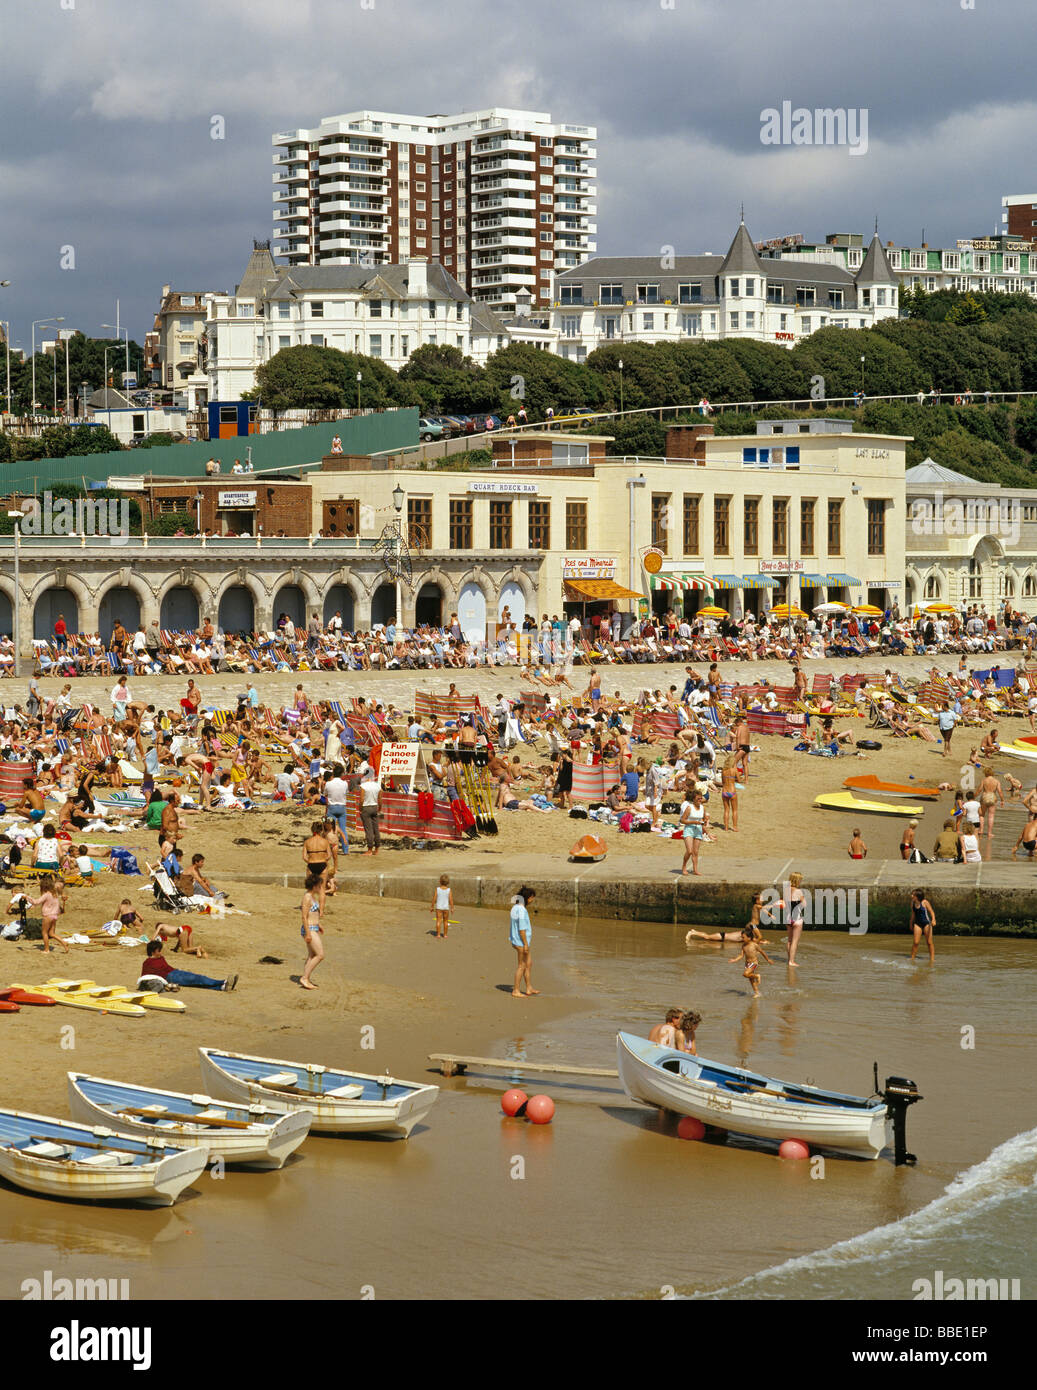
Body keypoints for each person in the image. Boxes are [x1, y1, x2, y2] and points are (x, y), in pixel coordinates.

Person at [139, 939, 236, 991]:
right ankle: (223, 981)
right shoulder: (147, 963)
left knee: (197, 980)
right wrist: (165, 985)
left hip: (175, 972)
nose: (160, 952)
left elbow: (167, 967)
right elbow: (144, 978)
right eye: (158, 950)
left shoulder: (161, 958)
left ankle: (221, 987)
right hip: (170, 977)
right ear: (152, 951)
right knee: (196, 980)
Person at [509, 886, 538, 998]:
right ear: (528, 898)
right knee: (521, 966)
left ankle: (529, 987)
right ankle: (515, 990)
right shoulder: (521, 910)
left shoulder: (515, 907)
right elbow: (522, 929)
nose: (533, 900)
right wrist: (525, 944)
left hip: (518, 940)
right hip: (521, 942)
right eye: (532, 898)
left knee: (529, 963)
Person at [730, 926, 773, 999]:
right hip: (747, 964)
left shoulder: (754, 945)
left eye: (743, 937)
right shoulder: (743, 945)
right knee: (751, 980)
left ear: (749, 938)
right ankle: (757, 993)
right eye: (741, 937)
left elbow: (762, 952)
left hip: (754, 963)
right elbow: (741, 955)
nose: (742, 939)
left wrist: (768, 960)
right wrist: (735, 960)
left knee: (745, 974)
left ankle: (757, 976)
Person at [29, 875, 68, 954]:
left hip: (47, 916)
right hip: (54, 916)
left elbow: (36, 902)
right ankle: (63, 942)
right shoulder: (55, 895)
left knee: (44, 933)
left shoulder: (46, 894)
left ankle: (46, 949)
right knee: (51, 933)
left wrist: (26, 897)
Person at [299, 870, 324, 990]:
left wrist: (318, 924)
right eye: (319, 886)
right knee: (320, 955)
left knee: (312, 955)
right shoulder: (307, 897)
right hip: (309, 929)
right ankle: (304, 978)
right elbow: (304, 916)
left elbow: (313, 913)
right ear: (314, 886)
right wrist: (308, 933)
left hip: (313, 927)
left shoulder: (311, 896)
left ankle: (306, 978)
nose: (320, 888)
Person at [679, 789, 707, 876]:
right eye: (698, 799)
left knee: (695, 852)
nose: (700, 800)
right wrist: (694, 822)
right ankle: (684, 866)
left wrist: (704, 822)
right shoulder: (689, 807)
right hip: (689, 829)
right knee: (689, 850)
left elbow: (704, 818)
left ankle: (695, 869)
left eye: (701, 798)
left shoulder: (702, 807)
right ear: (694, 799)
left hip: (698, 829)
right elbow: (682, 820)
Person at [908, 888, 936, 965]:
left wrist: (933, 920)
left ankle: (932, 959)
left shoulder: (925, 902)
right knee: (916, 942)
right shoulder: (912, 903)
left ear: (917, 896)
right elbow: (913, 914)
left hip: (927, 923)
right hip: (917, 923)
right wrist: (910, 923)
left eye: (913, 895)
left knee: (929, 942)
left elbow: (931, 912)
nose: (911, 896)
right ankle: (912, 958)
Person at [359, 773, 382, 856]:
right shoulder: (377, 786)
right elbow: (380, 799)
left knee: (369, 830)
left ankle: (369, 849)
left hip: (366, 807)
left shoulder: (364, 786)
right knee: (376, 828)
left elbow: (361, 799)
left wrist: (360, 809)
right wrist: (379, 808)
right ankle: (377, 848)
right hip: (374, 806)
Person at [431, 874, 453, 939]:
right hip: (446, 908)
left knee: (438, 921)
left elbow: (434, 898)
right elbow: (451, 900)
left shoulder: (437, 889)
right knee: (446, 921)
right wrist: (452, 908)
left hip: (439, 908)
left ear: (440, 881)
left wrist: (432, 906)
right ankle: (445, 935)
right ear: (448, 882)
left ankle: (438, 935)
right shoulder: (449, 890)